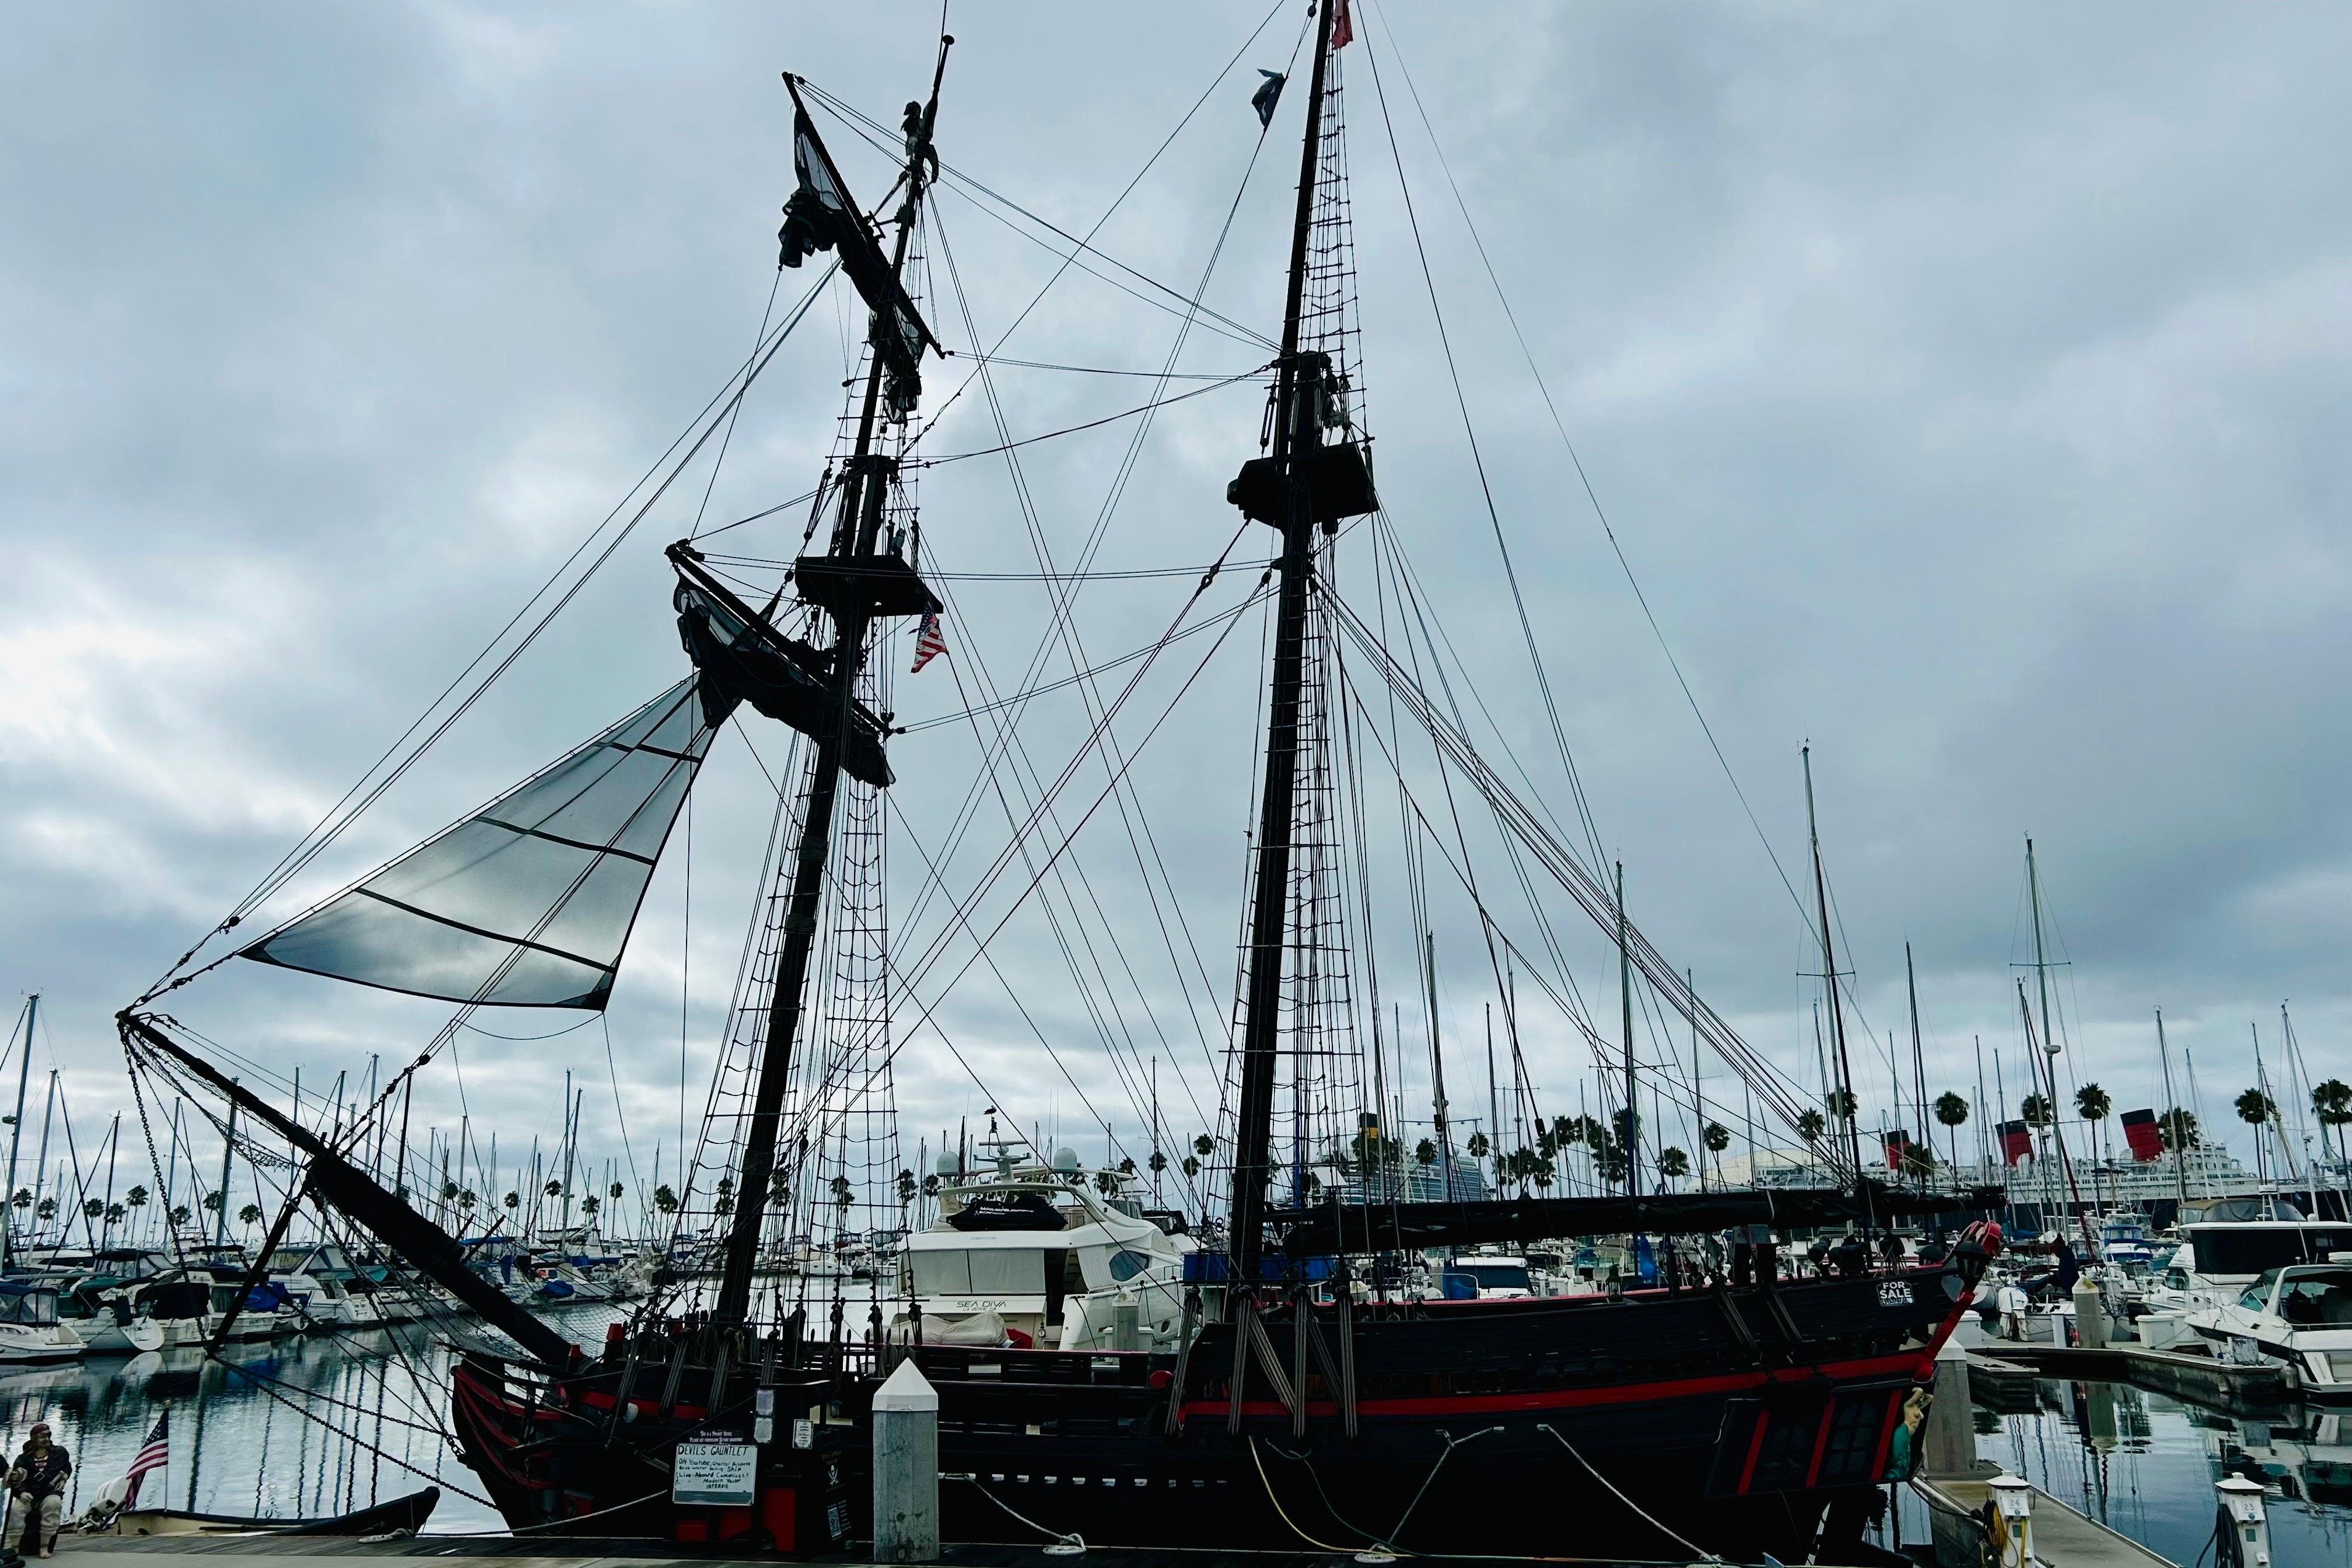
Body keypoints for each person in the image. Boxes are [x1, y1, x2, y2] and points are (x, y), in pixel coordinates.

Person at [4, 1422, 70, 1560]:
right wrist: (22, 1492)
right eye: (42, 1437)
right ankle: (14, 1547)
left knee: (53, 1505)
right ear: (34, 1439)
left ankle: (44, 1546)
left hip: (50, 1492)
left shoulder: (60, 1453)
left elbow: (67, 1468)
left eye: (48, 1436)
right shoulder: (23, 1459)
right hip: (29, 1494)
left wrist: (63, 1478)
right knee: (16, 1510)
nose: (46, 1439)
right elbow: (17, 1479)